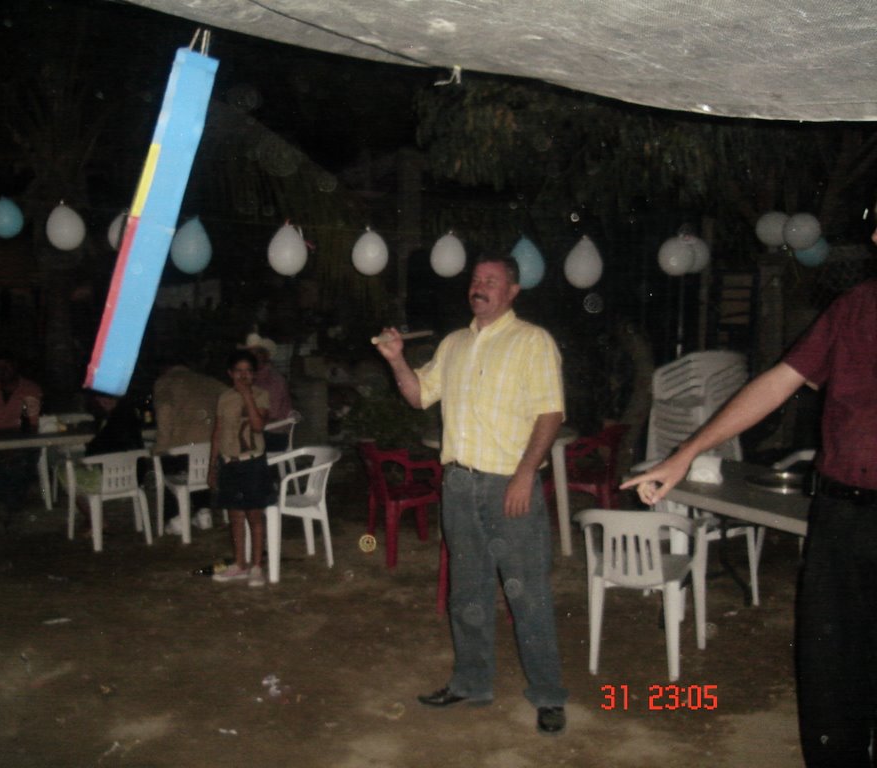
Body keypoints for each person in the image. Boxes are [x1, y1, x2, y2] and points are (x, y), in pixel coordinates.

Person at [622, 224, 877, 767]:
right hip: (840, 516)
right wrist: (684, 452)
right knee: (830, 673)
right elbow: (775, 382)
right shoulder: (855, 307)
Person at [375, 254, 569, 736]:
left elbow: (550, 414)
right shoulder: (455, 343)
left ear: (512, 291)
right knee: (468, 593)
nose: (479, 286)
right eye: (476, 279)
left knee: (528, 594)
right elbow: (419, 396)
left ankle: (548, 695)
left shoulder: (532, 341)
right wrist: (398, 359)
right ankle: (471, 682)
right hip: (458, 485)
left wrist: (526, 474)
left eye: (491, 280)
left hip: (509, 485)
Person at [209, 350, 274, 588]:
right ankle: (239, 563)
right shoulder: (224, 397)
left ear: (254, 374)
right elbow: (217, 432)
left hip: (252, 463)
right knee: (235, 516)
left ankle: (257, 566)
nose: (244, 375)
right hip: (229, 462)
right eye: (239, 371)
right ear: (230, 374)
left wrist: (247, 396)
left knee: (254, 516)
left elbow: (258, 427)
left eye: (248, 371)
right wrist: (212, 466)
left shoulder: (261, 395)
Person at [151, 358, 227, 535]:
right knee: (200, 471)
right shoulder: (207, 381)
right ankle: (203, 511)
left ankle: (175, 517)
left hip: (182, 447)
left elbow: (164, 411)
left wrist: (161, 446)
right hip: (210, 445)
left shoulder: (165, 382)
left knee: (167, 466)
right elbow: (231, 396)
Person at [57, 390, 145, 533]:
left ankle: (96, 519)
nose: (105, 400)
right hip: (134, 476)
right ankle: (93, 517)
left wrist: (89, 450)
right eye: (100, 397)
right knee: (80, 469)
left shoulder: (117, 420)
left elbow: (95, 449)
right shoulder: (128, 415)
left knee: (64, 472)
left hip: (114, 478)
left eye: (109, 397)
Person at [0, 352, 44, 523]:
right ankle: (2, 506)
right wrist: (2, 446)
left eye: (6, 366)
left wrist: (13, 445)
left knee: (21, 460)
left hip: (24, 443)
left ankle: (12, 507)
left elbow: (32, 425)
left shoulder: (31, 389)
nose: (3, 371)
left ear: (15, 366)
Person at [240, 332, 293, 452]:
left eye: (256, 354)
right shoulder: (248, 378)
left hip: (274, 433)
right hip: (257, 430)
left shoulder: (274, 380)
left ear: (264, 356)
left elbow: (270, 416)